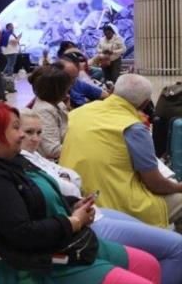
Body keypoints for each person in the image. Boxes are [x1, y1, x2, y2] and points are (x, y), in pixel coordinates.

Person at [0, 101, 162, 284]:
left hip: (70, 244)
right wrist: (74, 222)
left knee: (150, 264)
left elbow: (37, 196)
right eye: (16, 128)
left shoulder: (10, 160)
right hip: (48, 264)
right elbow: (24, 234)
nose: (22, 134)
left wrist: (72, 204)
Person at [19, 110, 182, 284]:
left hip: (91, 213)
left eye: (38, 133)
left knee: (161, 248)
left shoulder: (36, 154)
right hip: (84, 226)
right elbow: (154, 182)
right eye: (28, 132)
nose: (36, 139)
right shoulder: (129, 124)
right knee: (177, 247)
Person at [60, 74, 182, 229]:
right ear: (144, 103)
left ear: (113, 90)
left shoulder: (78, 113)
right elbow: (155, 184)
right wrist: (179, 187)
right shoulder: (133, 127)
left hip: (75, 199)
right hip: (114, 207)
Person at [27, 63, 73, 160]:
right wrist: (82, 147)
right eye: (66, 87)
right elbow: (52, 150)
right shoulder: (44, 111)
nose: (68, 90)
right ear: (57, 90)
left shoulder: (58, 103)